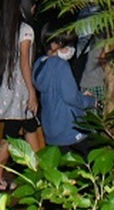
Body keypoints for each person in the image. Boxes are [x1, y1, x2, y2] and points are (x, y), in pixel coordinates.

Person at [0, 0, 42, 190]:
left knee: (30, 126)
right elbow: (24, 63)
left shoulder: (6, 29)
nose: (34, 9)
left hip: (7, 88)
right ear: (24, 7)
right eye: (32, 5)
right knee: (10, 134)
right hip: (19, 90)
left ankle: (39, 173)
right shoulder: (26, 29)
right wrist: (32, 92)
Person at [32, 23, 97, 155]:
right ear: (54, 45)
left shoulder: (40, 64)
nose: (71, 49)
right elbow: (71, 97)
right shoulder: (61, 65)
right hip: (70, 128)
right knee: (92, 157)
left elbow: (57, 92)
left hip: (51, 129)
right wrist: (90, 101)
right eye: (67, 45)